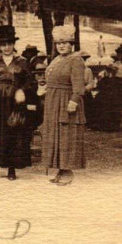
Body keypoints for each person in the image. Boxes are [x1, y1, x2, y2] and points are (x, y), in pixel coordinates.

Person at [0, 25, 34, 181]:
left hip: (14, 102)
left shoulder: (22, 61)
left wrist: (22, 91)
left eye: (9, 44)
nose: (6, 47)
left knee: (13, 133)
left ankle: (12, 168)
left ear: (13, 44)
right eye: (3, 44)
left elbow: (30, 82)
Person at [39, 25, 86, 185]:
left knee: (67, 134)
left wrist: (73, 100)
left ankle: (68, 171)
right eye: (59, 43)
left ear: (71, 44)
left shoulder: (76, 60)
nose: (61, 46)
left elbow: (79, 86)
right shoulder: (57, 59)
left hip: (66, 100)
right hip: (53, 101)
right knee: (56, 134)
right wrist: (44, 87)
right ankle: (60, 169)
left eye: (65, 42)